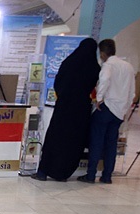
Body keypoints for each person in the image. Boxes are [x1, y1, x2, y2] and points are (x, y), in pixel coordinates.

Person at [32, 38, 100, 182]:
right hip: (81, 110)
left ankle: (43, 171)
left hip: (64, 107)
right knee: (73, 142)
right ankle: (62, 173)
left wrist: (63, 95)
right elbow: (93, 88)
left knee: (55, 138)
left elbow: (58, 82)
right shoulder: (94, 68)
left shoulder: (69, 62)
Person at [77, 38, 135, 184]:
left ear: (102, 53)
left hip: (106, 107)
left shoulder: (108, 66)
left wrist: (99, 99)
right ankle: (107, 175)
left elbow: (104, 81)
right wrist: (125, 108)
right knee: (111, 144)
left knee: (96, 142)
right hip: (120, 111)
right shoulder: (128, 67)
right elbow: (132, 92)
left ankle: (91, 175)